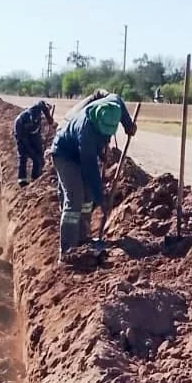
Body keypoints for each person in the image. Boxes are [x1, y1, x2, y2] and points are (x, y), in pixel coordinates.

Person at [51, 92, 136, 262]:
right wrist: (102, 197)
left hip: (83, 152)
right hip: (65, 155)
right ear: (97, 121)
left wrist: (128, 124)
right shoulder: (86, 129)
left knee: (88, 198)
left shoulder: (113, 104)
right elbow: (90, 168)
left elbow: (117, 97)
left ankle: (83, 238)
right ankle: (67, 252)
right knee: (74, 199)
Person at [13, 100, 55, 186]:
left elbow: (42, 104)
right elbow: (24, 142)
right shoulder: (19, 122)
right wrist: (32, 153)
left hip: (34, 134)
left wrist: (49, 118)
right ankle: (22, 180)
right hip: (22, 137)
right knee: (24, 156)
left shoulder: (38, 109)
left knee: (40, 156)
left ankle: (36, 178)